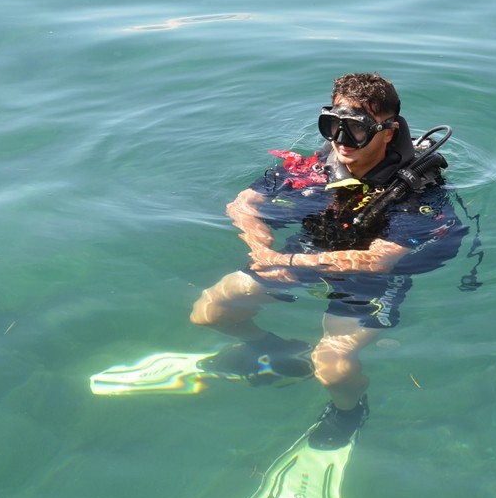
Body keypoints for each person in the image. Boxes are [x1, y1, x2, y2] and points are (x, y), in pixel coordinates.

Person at [189, 73, 467, 450]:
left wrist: (286, 260)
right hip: (308, 251)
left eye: (354, 129)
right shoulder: (316, 168)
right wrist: (261, 248)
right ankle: (274, 348)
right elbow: (242, 205)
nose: (339, 140)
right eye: (331, 125)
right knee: (211, 311)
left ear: (388, 132)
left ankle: (349, 411)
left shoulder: (416, 192)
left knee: (332, 365)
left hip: (371, 281)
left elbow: (377, 261)